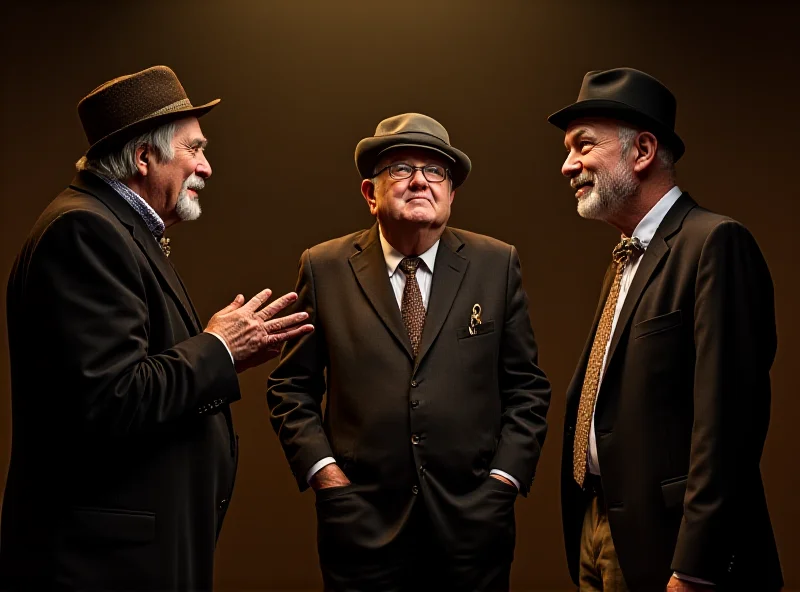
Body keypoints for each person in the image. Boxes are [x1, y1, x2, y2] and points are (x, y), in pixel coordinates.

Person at [0, 65, 313, 591]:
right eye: (195, 149)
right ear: (144, 157)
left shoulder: (116, 229)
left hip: (128, 555)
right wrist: (219, 348)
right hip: (102, 564)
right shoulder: (84, 231)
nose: (207, 168)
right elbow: (111, 396)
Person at [267, 112, 551, 591]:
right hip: (362, 529)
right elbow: (290, 387)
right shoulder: (324, 267)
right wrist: (327, 477)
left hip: (473, 529)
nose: (420, 181)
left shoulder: (496, 263)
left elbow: (527, 388)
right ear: (369, 194)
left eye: (435, 171)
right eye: (400, 168)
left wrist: (503, 481)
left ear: (451, 193)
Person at [550, 67, 783, 591]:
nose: (568, 166)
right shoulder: (624, 259)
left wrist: (696, 565)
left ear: (643, 151)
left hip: (675, 550)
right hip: (600, 529)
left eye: (583, 146)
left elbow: (729, 426)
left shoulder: (715, 243)